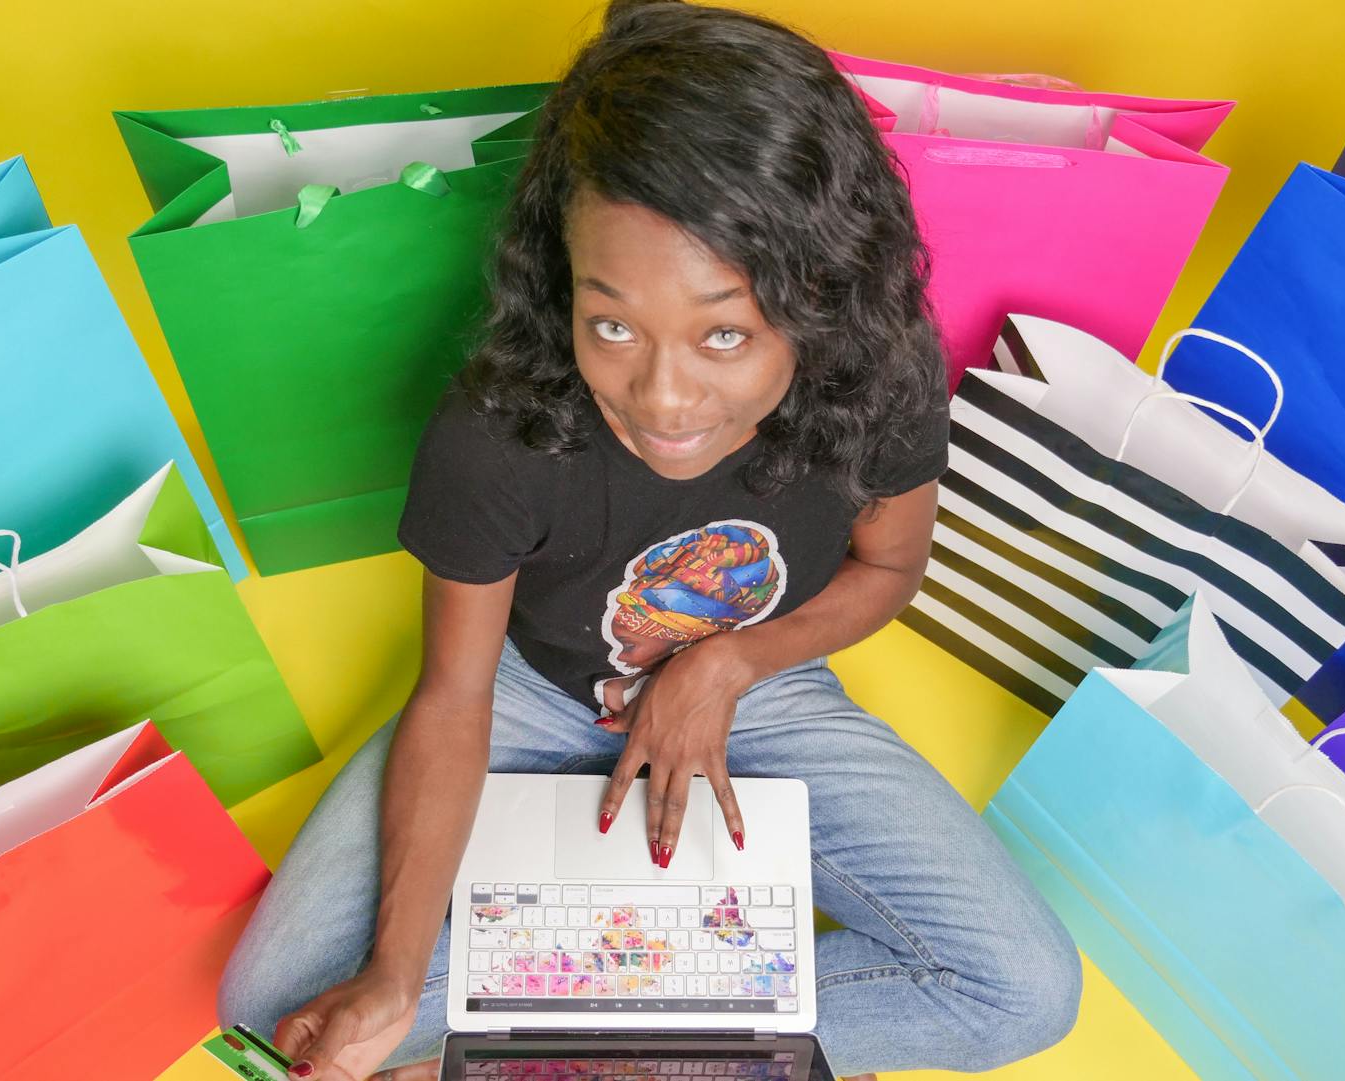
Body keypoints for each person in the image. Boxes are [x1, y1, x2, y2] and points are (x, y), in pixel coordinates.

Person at [216, 3, 1081, 1078]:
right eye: (611, 324)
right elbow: (456, 693)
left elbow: (889, 567)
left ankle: (598, 1042)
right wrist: (393, 974)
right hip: (527, 692)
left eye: (725, 332)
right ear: (562, 280)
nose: (663, 397)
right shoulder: (496, 432)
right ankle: (676, 1031)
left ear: (816, 292)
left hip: (769, 683)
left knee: (1023, 990)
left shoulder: (885, 368)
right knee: (272, 1004)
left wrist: (724, 665)